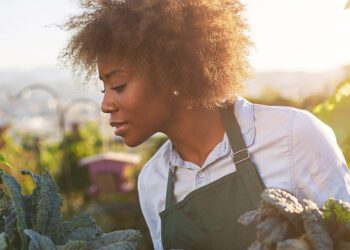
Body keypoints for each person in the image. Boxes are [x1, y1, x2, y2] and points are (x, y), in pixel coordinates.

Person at [62, 0, 350, 249]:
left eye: (118, 85)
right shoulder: (153, 181)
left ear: (172, 73)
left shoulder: (293, 136)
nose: (106, 105)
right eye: (104, 89)